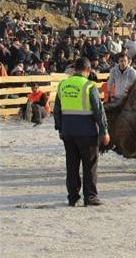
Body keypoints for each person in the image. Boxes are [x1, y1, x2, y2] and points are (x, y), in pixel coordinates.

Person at [53, 58, 110, 207]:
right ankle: (90, 197)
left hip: (68, 132)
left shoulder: (63, 85)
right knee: (89, 165)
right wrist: (104, 130)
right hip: (86, 132)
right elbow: (99, 110)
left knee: (72, 166)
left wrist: (59, 128)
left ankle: (73, 197)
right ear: (88, 70)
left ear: (74, 69)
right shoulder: (89, 85)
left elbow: (56, 109)